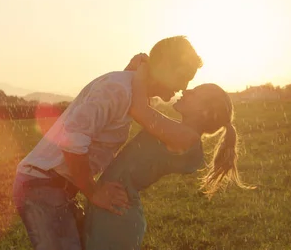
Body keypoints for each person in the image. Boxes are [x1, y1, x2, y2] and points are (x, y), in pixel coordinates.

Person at [12, 36, 203, 250]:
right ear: (165, 66)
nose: (184, 86)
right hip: (42, 185)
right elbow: (72, 140)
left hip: (57, 186)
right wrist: (93, 192)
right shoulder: (117, 89)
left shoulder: (126, 89)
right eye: (182, 76)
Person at [84, 63, 255, 250]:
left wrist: (142, 72)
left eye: (195, 93)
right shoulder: (178, 131)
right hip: (112, 204)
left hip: (117, 211)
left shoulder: (185, 137)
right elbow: (140, 103)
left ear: (204, 112)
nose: (186, 91)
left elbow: (138, 109)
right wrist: (132, 71)